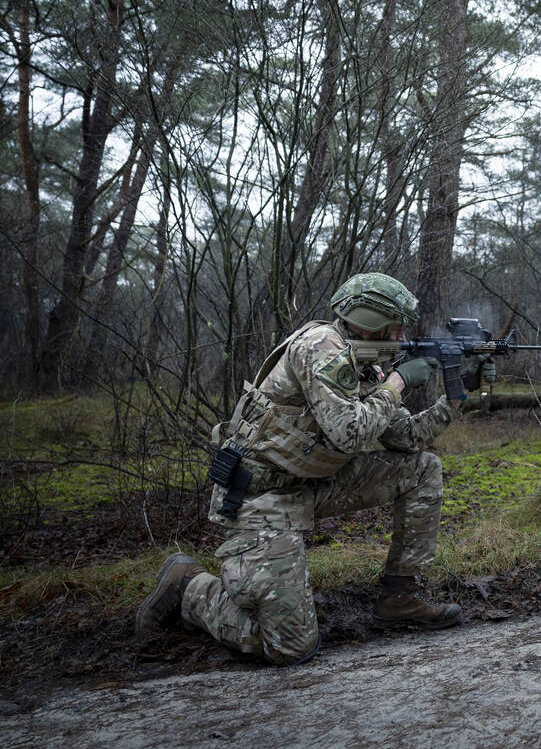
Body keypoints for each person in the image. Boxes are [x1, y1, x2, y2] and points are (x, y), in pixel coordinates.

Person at [134, 273, 494, 665]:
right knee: (289, 647)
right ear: (370, 319)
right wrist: (396, 384)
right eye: (396, 324)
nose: (402, 335)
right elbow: (348, 433)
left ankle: (400, 596)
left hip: (312, 482)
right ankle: (188, 587)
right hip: (262, 496)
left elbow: (406, 438)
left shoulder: (364, 364)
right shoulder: (321, 347)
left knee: (422, 469)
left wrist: (458, 395)